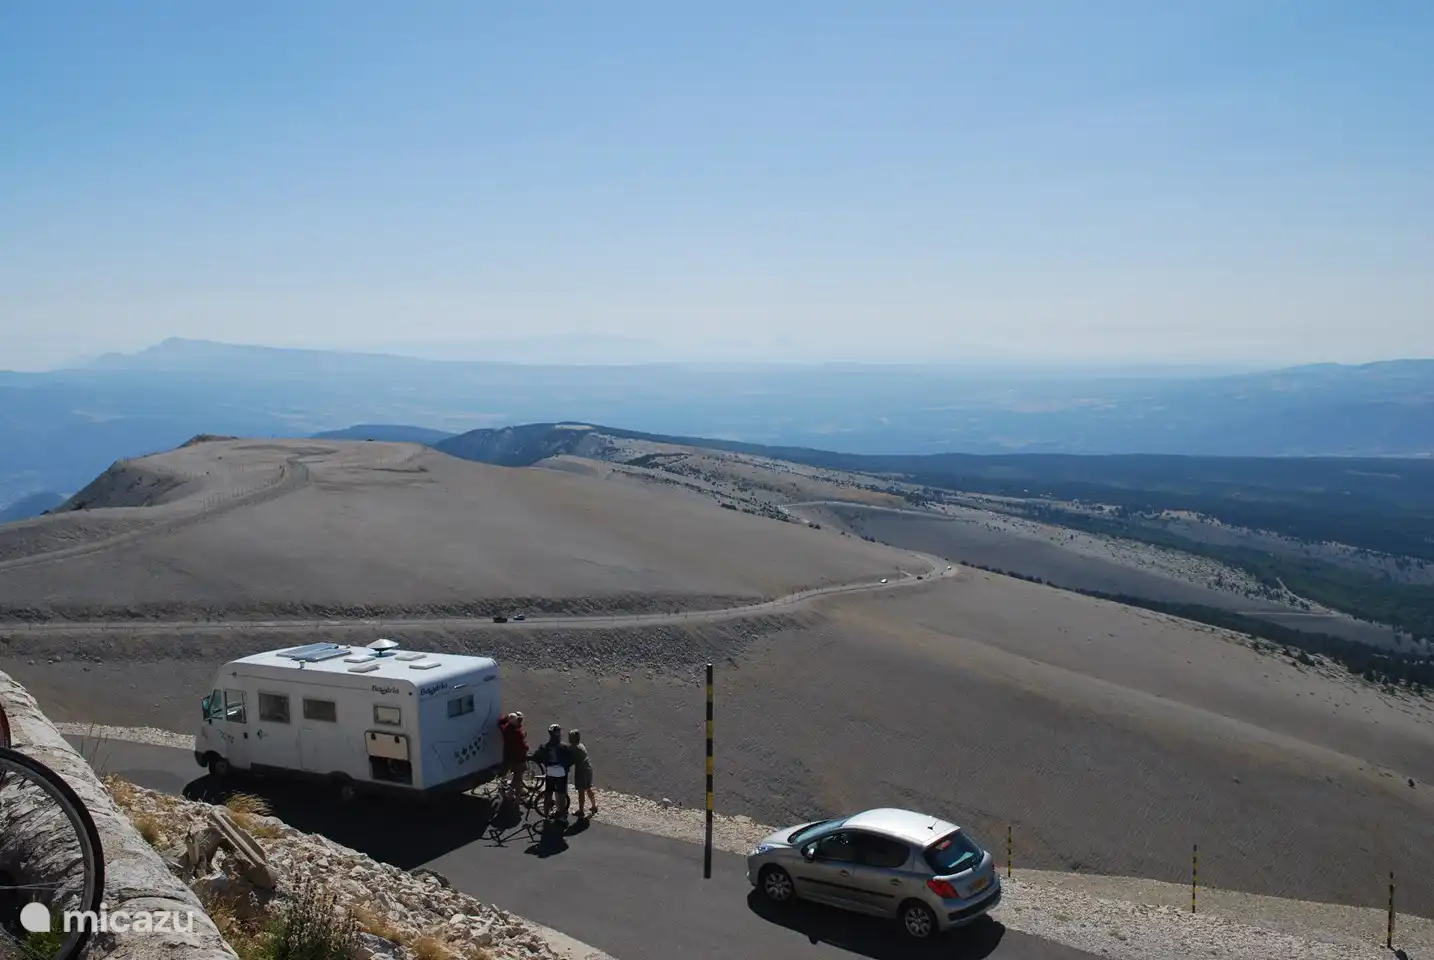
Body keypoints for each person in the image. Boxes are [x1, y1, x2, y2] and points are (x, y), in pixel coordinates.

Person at [530, 723, 574, 819]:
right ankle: (561, 816)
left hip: (550, 771)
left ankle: (546, 815)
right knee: (561, 794)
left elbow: (536, 758)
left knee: (548, 793)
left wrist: (544, 761)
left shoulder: (544, 747)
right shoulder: (564, 747)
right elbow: (571, 760)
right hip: (561, 772)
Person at [497, 711, 528, 802]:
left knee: (505, 771)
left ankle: (504, 787)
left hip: (507, 754)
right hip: (517, 757)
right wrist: (526, 747)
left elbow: (500, 722)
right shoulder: (517, 733)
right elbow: (522, 746)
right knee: (519, 773)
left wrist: (507, 717)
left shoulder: (505, 729)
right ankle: (511, 792)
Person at [569, 729, 598, 818]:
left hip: (582, 772)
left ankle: (581, 811)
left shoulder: (574, 748)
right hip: (587, 769)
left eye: (570, 737)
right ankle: (594, 806)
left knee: (581, 791)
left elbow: (570, 760)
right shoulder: (581, 745)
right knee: (588, 788)